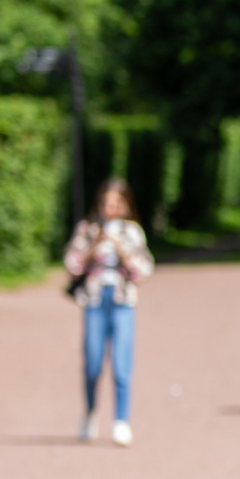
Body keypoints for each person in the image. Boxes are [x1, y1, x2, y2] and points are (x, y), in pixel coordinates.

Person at [63, 179, 153, 446]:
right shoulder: (88, 230)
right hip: (94, 300)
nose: (108, 208)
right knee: (92, 363)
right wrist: (94, 247)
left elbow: (143, 270)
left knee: (121, 364)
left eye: (115, 204)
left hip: (122, 301)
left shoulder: (132, 232)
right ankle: (91, 412)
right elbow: (72, 265)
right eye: (105, 203)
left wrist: (121, 251)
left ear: (125, 206)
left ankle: (121, 421)